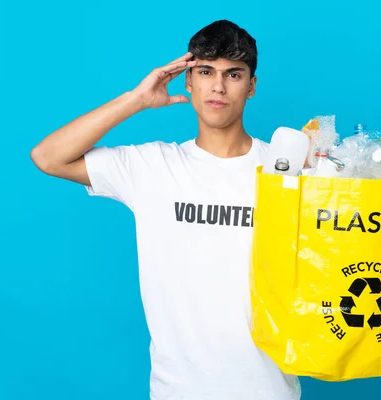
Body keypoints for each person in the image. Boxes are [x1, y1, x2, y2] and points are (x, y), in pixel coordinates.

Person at [30, 19, 302, 400]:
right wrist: (136, 100)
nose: (218, 87)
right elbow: (48, 157)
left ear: (252, 86)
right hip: (177, 391)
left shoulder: (288, 172)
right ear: (188, 82)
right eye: (205, 72)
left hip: (269, 390)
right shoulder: (152, 167)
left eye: (233, 74)